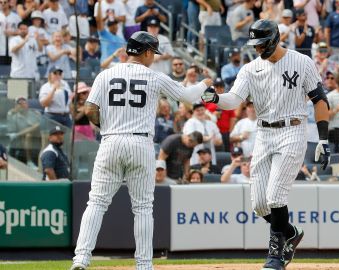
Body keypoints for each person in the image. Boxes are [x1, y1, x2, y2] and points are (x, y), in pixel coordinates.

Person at [70, 31, 213, 270]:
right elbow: (188, 96)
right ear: (146, 52)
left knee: (96, 203)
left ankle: (81, 260)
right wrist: (205, 83)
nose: (153, 58)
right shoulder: (154, 77)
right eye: (152, 53)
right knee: (143, 208)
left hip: (111, 141)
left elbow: (90, 109)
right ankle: (144, 265)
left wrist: (109, 128)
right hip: (140, 143)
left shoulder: (106, 74)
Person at [201, 19, 331, 269]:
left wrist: (323, 139)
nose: (258, 49)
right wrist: (215, 98)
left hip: (292, 130)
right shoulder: (250, 69)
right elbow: (234, 99)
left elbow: (319, 99)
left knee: (274, 196)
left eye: (262, 44)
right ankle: (291, 232)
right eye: (255, 45)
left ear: (274, 39)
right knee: (259, 204)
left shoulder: (301, 61)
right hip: (264, 133)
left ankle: (275, 254)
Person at [183, 101, 223, 165]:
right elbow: (192, 138)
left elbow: (219, 140)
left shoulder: (211, 123)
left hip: (210, 156)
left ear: (205, 110)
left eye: (202, 110)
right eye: (197, 110)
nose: (200, 112)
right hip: (195, 156)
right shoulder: (190, 123)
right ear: (193, 112)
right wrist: (209, 138)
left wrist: (217, 141)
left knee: (211, 172)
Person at [7, 97, 41, 167]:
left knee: (31, 132)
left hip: (38, 135)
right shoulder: (14, 117)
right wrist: (10, 114)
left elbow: (38, 125)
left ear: (27, 104)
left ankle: (30, 161)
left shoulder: (34, 113)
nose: (23, 105)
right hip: (22, 137)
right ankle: (29, 161)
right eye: (20, 103)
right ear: (16, 106)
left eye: (24, 103)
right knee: (27, 135)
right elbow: (11, 130)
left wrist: (18, 134)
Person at [327, 73, 339, 153]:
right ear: (337, 84)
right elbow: (326, 115)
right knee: (332, 158)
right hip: (334, 130)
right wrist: (337, 109)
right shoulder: (330, 96)